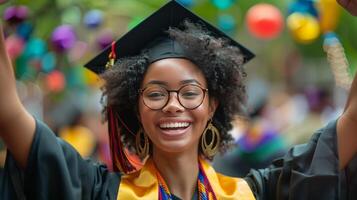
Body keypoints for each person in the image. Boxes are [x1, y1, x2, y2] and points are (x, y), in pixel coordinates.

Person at [0, 1, 356, 199]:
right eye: (155, 94)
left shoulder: (255, 194)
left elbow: (352, 121)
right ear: (136, 108)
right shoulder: (98, 193)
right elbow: (8, 111)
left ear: (212, 104)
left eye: (189, 92)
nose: (173, 104)